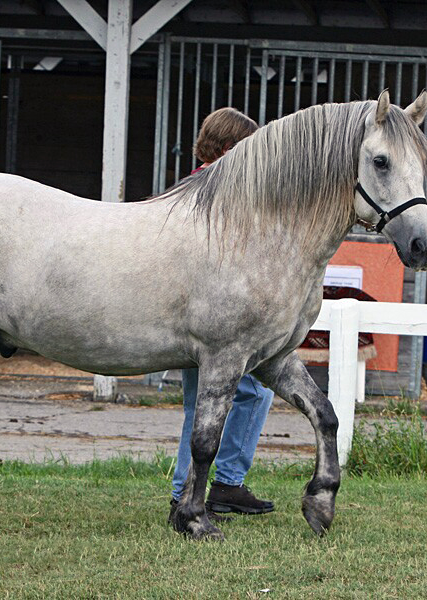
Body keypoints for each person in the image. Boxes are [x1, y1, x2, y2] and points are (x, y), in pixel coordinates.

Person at [170, 107, 275, 520]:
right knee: (252, 393)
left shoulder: (188, 185)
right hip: (214, 320)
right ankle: (226, 483)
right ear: (231, 148)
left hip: (189, 317)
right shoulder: (218, 192)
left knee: (201, 404)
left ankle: (188, 489)